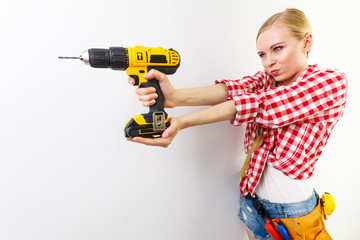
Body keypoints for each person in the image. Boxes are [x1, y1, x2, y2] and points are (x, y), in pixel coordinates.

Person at [127, 8, 347, 240]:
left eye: (277, 49)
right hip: (253, 203)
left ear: (307, 42)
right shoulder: (269, 80)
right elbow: (232, 89)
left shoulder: (331, 82)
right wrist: (174, 97)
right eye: (262, 54)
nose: (269, 62)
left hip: (293, 215)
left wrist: (181, 122)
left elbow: (259, 104)